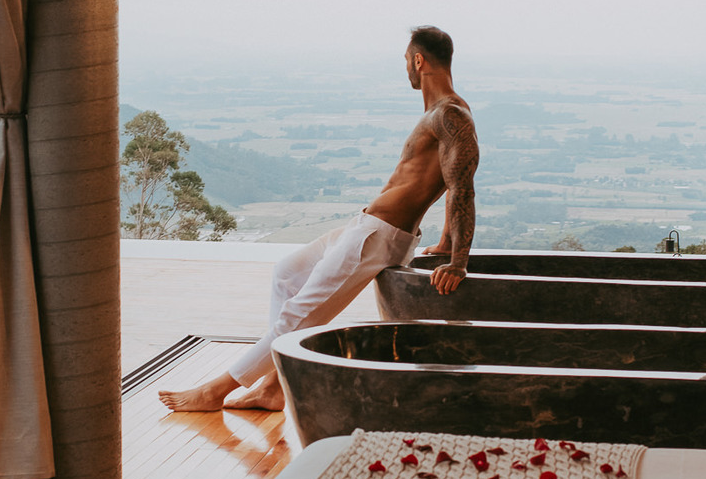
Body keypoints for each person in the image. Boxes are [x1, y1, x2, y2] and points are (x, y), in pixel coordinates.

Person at [159, 26, 479, 412]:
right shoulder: (439, 112)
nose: (406, 70)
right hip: (365, 227)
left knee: (300, 314)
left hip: (379, 237)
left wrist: (457, 261)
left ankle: (215, 391)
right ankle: (273, 387)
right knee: (287, 274)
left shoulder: (451, 114)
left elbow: (462, 187)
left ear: (418, 60)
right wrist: (444, 242)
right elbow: (449, 182)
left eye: (406, 62)